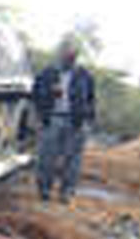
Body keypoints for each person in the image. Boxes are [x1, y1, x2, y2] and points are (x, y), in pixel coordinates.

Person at [31, 39, 96, 203]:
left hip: (75, 122)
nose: (69, 58)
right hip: (52, 118)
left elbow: (91, 99)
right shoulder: (47, 73)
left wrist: (88, 121)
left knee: (73, 160)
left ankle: (66, 193)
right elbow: (35, 95)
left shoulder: (84, 75)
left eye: (72, 56)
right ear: (60, 55)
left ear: (76, 57)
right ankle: (44, 190)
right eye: (66, 55)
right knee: (46, 158)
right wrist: (50, 94)